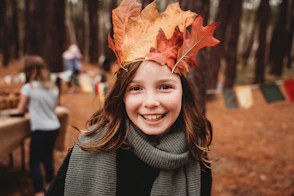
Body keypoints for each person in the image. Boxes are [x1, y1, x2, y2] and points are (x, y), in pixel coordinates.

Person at [46, 0, 219, 195]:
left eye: (165, 87)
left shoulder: (197, 157)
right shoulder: (90, 149)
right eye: (136, 88)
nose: (151, 102)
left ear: (183, 93)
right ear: (122, 97)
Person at [17, 55, 60, 196]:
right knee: (47, 157)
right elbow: (53, 107)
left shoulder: (27, 88)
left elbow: (21, 109)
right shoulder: (53, 86)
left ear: (28, 70)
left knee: (34, 161)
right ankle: (52, 186)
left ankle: (39, 191)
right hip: (54, 126)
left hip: (40, 128)